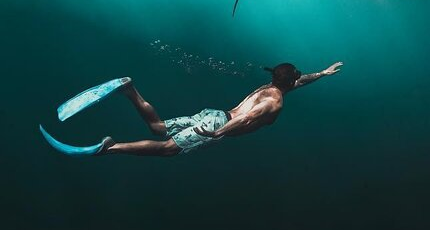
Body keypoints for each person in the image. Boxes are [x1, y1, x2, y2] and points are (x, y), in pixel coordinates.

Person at [99, 62, 343, 156]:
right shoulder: (275, 101)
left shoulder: (269, 86)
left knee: (157, 127)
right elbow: (248, 117)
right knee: (167, 149)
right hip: (218, 124)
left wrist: (322, 73)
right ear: (289, 82)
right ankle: (111, 147)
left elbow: (300, 81)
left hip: (214, 114)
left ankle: (129, 90)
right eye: (296, 79)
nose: (298, 81)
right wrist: (219, 133)